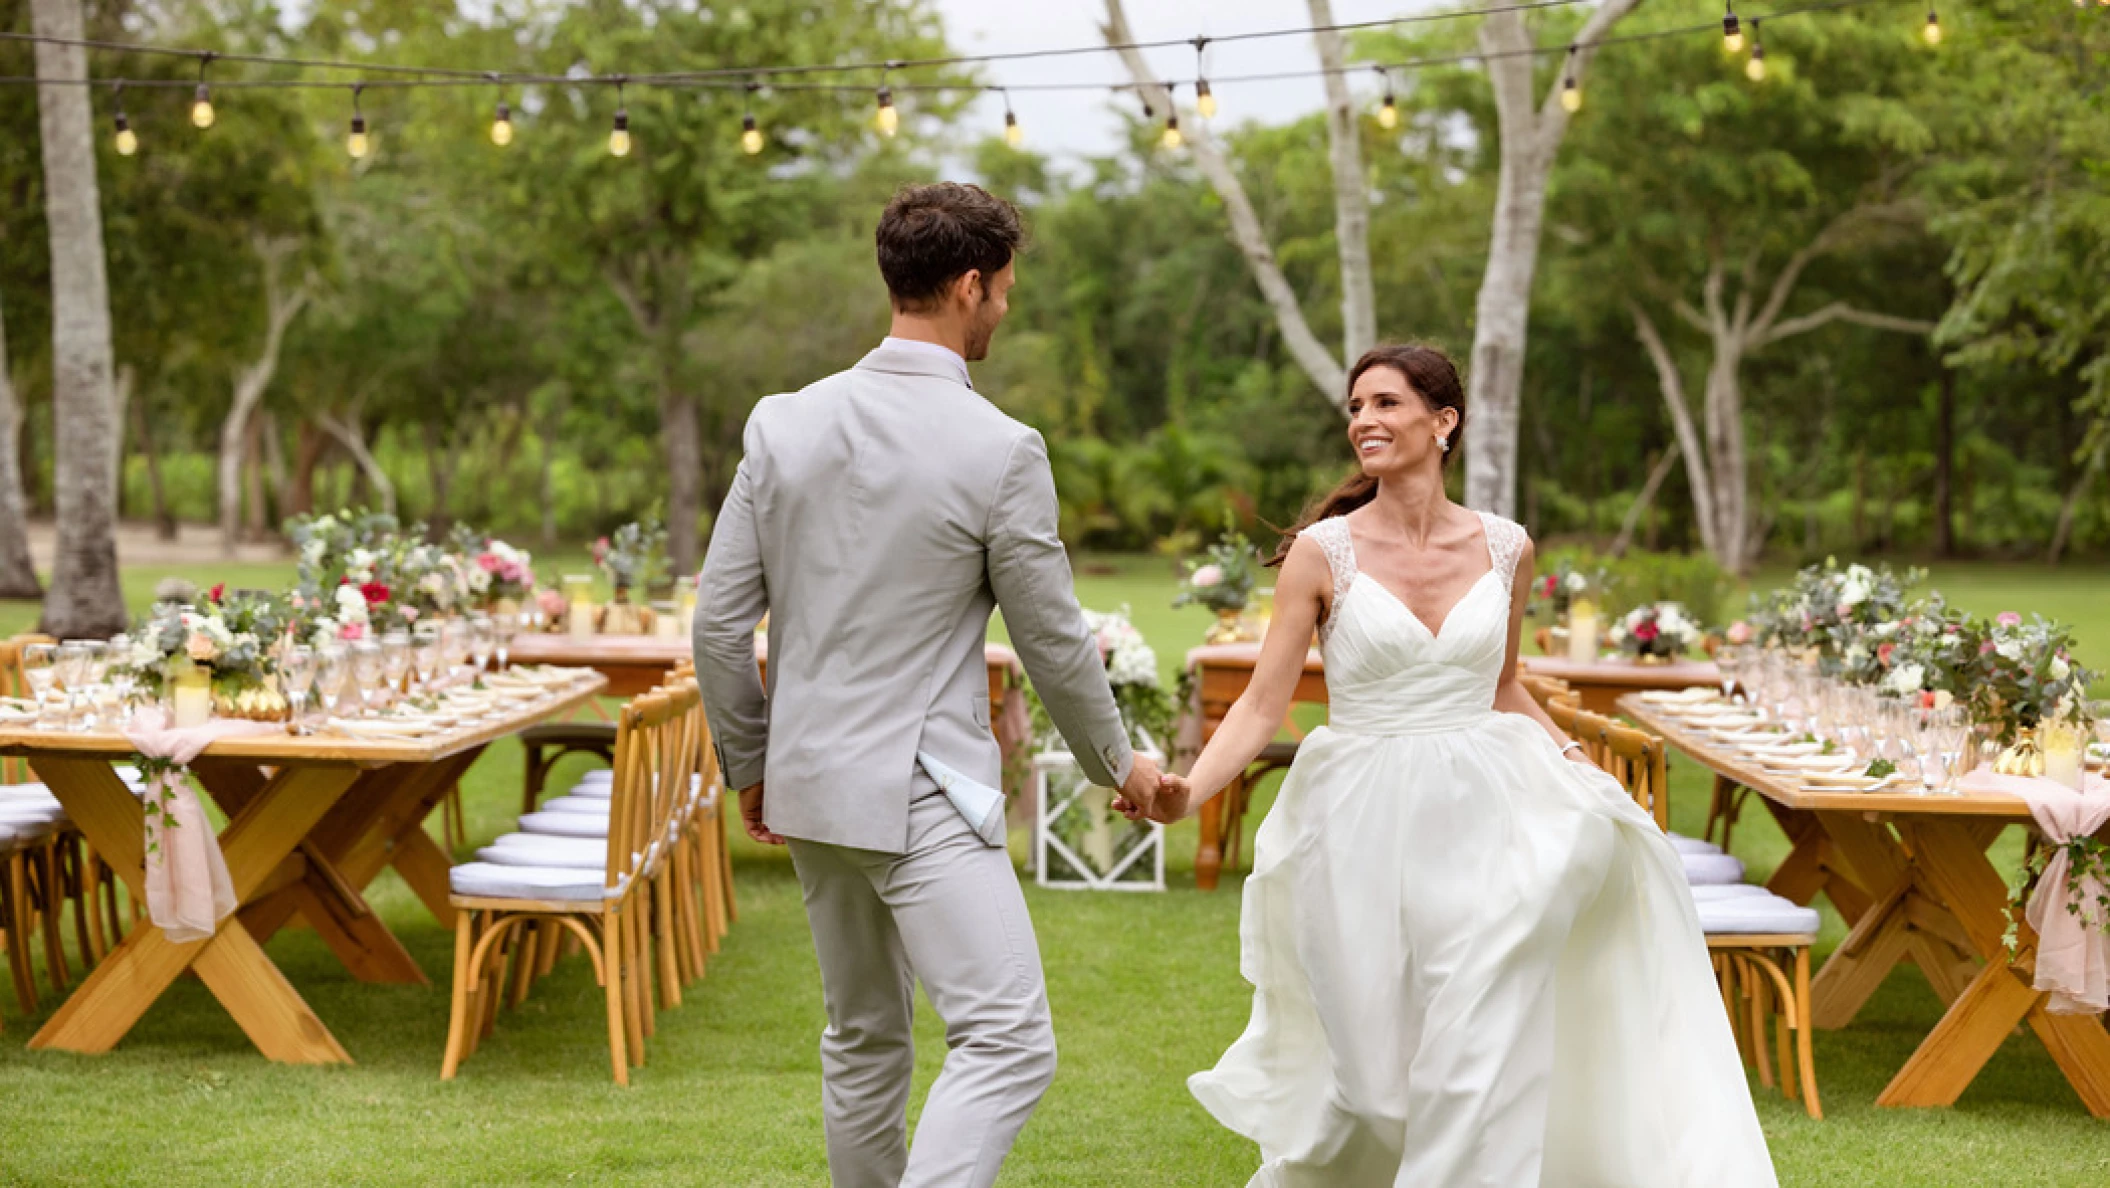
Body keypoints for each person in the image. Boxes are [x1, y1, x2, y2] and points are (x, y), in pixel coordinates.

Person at [1137, 345, 1778, 1187]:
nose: (1363, 420)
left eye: (1386, 404)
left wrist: (1580, 764)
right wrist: (1189, 795)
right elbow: (1261, 705)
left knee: (1474, 1057)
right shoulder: (1320, 553)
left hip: (1494, 816)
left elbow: (1503, 685)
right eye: (1356, 406)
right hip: (1358, 821)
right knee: (1373, 1092)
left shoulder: (1508, 547)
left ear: (1444, 424)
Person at [693, 181, 1163, 1188]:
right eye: (1002, 290)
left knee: (863, 1041)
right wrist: (1119, 763)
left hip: (807, 789)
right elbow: (1051, 641)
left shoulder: (780, 424)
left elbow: (719, 626)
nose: (1005, 307)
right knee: (1008, 1042)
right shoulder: (1001, 450)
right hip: (920, 797)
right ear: (968, 285)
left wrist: (752, 763)